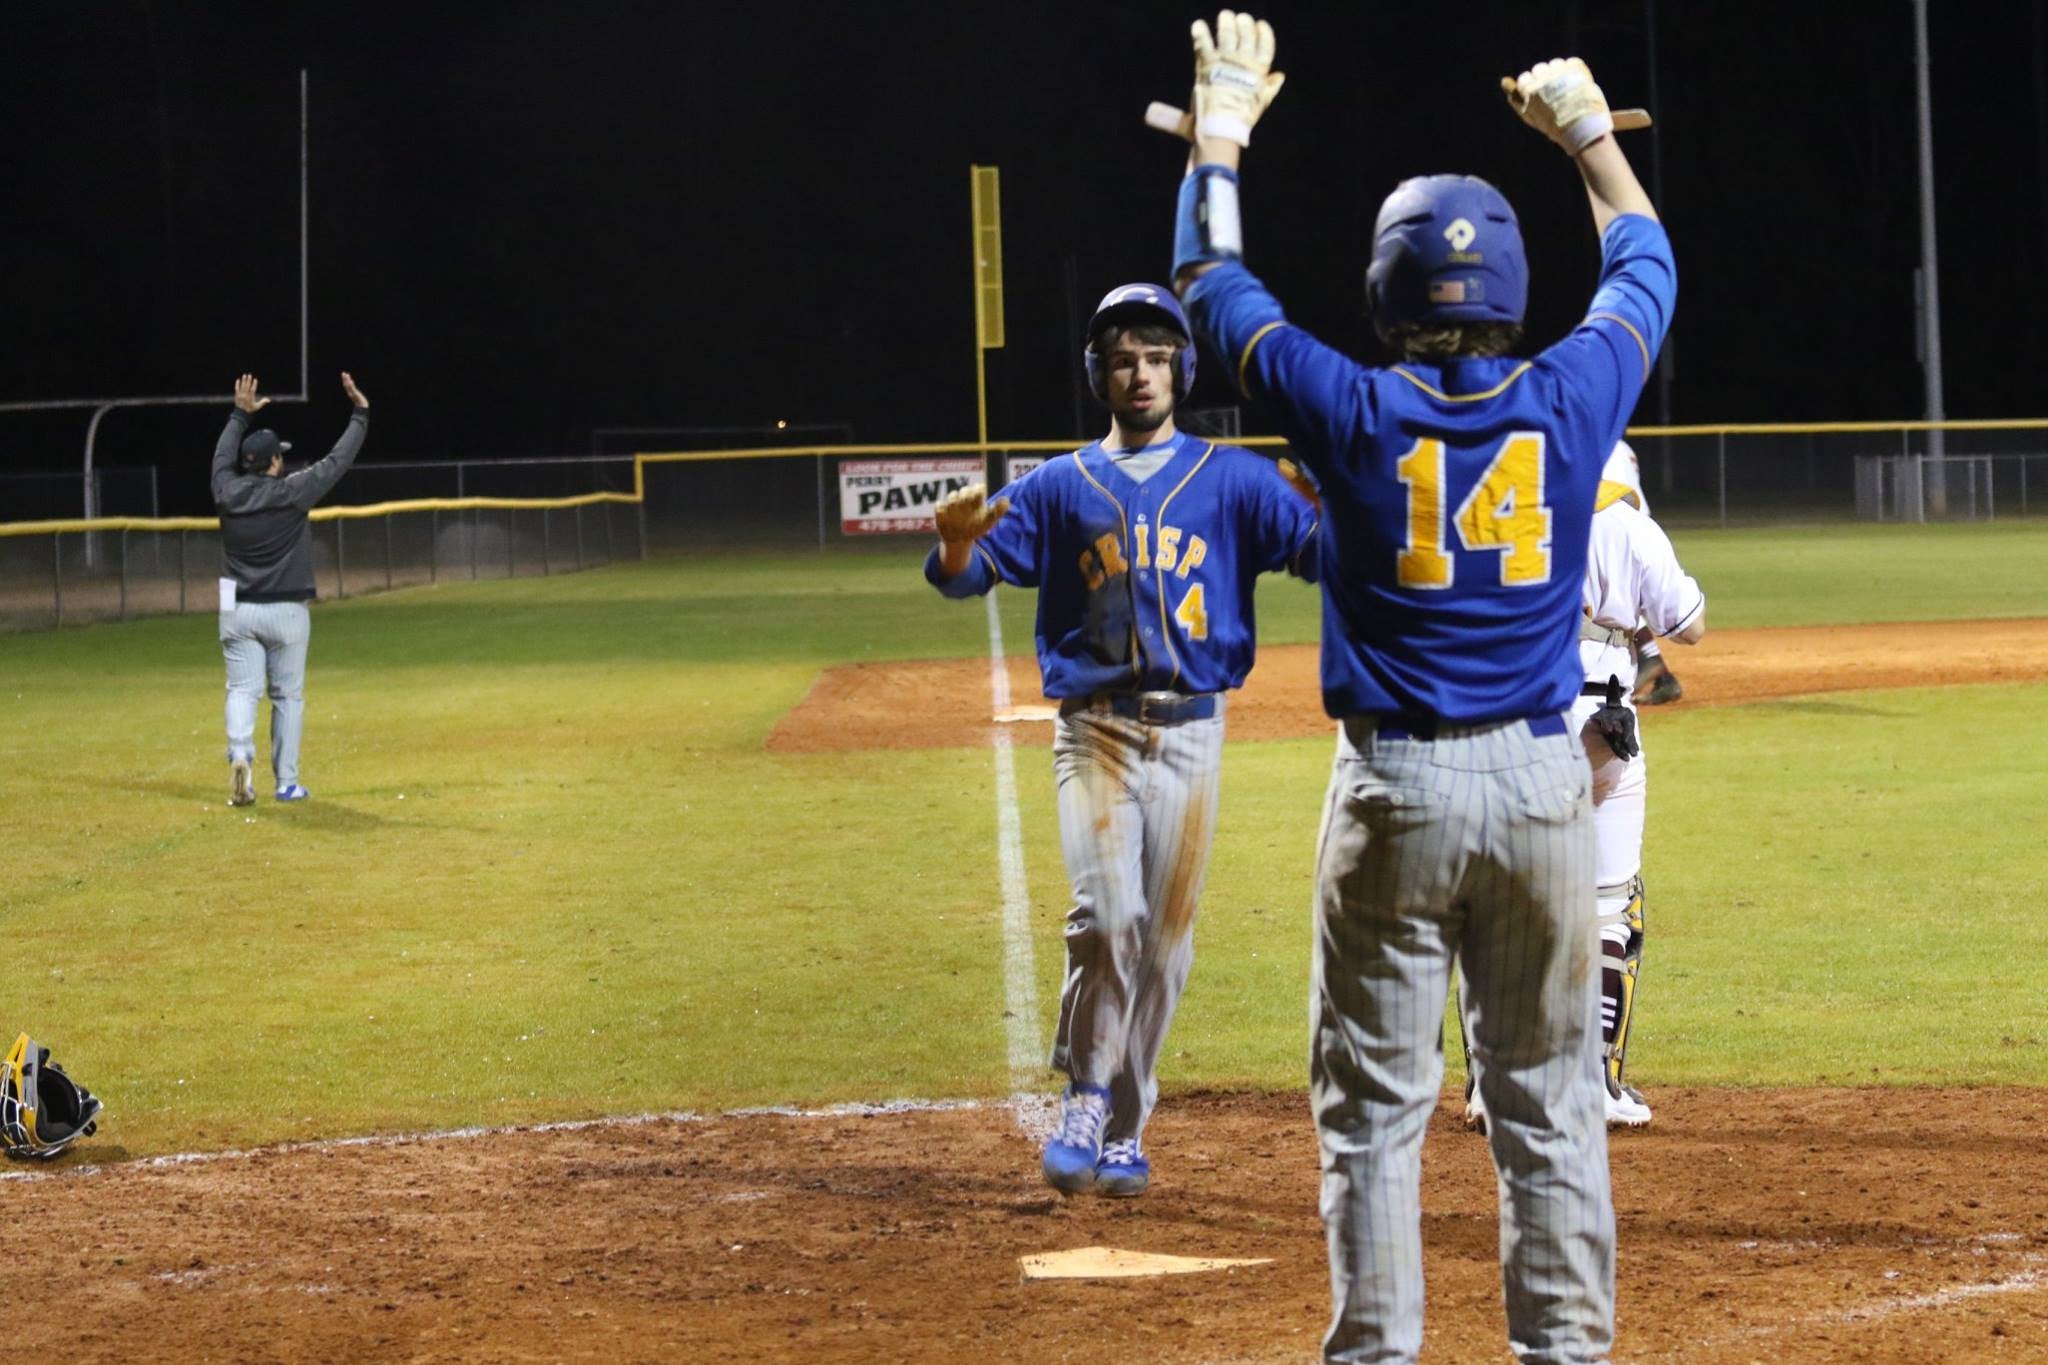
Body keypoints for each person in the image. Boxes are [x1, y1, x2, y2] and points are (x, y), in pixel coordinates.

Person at [1168, 15, 1675, 1362]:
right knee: (1550, 1103)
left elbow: (1210, 284)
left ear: (1389, 291)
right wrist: (1584, 135)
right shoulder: (1574, 397)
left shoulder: (1349, 407)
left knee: (1376, 1114)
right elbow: (1644, 260)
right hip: (1539, 779)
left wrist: (1220, 136)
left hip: (1394, 788)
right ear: (1510, 289)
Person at [924, 283, 1317, 1197]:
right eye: (1119, 357)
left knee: (1166, 949)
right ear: (1096, 372)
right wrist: (949, 547)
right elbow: (969, 574)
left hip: (1193, 736)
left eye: (1154, 355)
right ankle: (1088, 1093)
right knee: (1109, 916)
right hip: (1094, 733)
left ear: (1180, 365)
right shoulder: (1060, 485)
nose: (1138, 372)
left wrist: (1343, 497)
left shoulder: (1234, 477)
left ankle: (1126, 1130)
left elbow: (1320, 553)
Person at [211, 371, 370, 807]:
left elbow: (221, 460)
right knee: (288, 696)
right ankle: (287, 782)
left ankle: (241, 754)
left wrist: (237, 416)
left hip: (238, 609)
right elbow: (336, 462)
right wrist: (360, 413)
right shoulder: (291, 492)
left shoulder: (225, 492)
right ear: (274, 464)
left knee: (242, 690)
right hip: (287, 611)